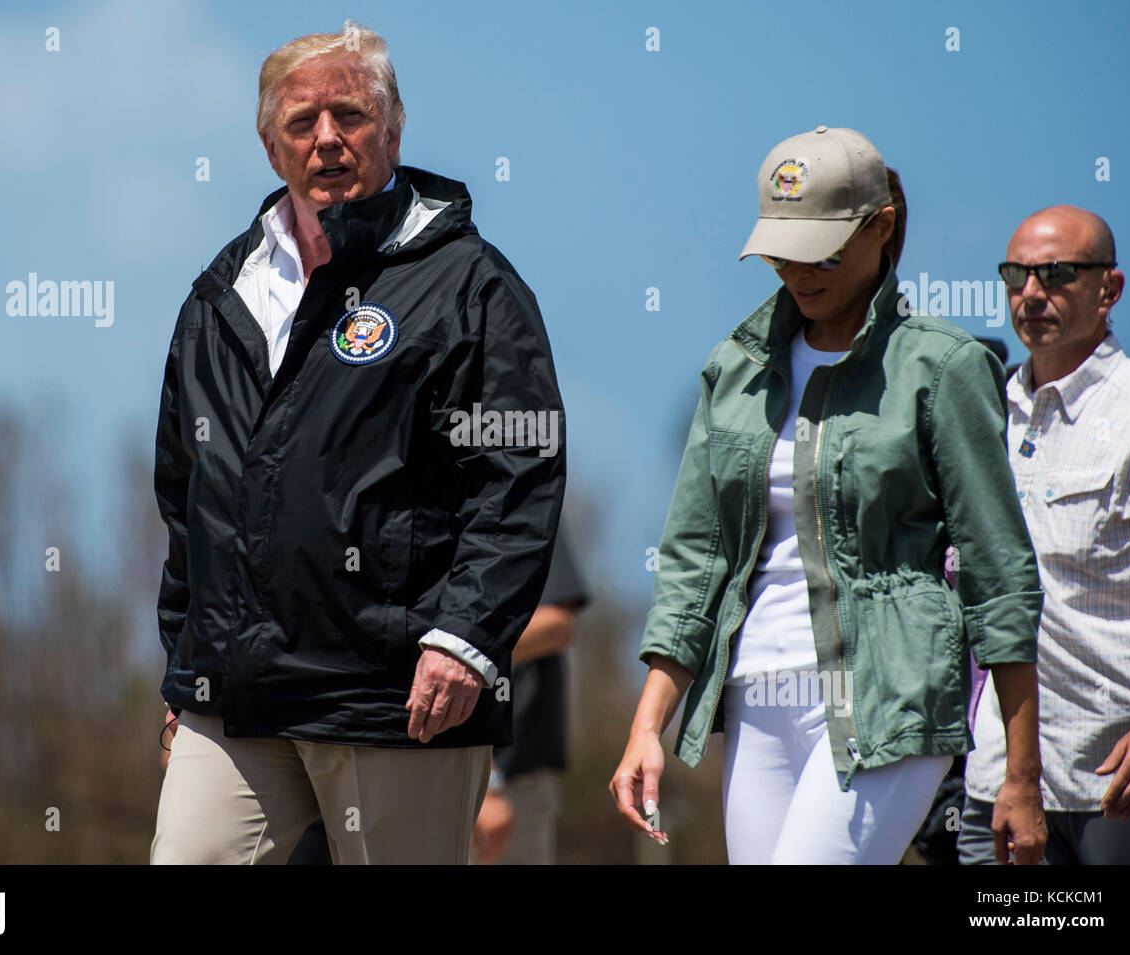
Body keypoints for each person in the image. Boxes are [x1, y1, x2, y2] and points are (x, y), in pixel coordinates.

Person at [150, 21, 565, 865]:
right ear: (271, 147)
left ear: (394, 127)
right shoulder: (218, 294)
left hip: (398, 696)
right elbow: (187, 492)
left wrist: (466, 640)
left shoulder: (470, 284)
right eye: (303, 123)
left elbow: (517, 476)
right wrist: (188, 655)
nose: (328, 139)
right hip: (238, 695)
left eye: (351, 114)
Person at [610, 126, 1047, 864]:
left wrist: (1021, 774)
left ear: (882, 227)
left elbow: (999, 571)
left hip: (894, 693)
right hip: (755, 692)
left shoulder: (944, 365)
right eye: (782, 248)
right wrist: (647, 723)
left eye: (821, 248)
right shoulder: (735, 368)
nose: (798, 269)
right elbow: (695, 558)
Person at [959, 206, 1130, 865]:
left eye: (1057, 273)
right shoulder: (977, 415)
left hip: (1121, 788)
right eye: (1016, 274)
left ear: (1111, 289)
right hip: (996, 784)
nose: (1032, 292)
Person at [472, 529, 589, 864]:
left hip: (519, 776)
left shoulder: (531, 495)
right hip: (437, 771)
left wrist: (460, 647)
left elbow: (557, 622)